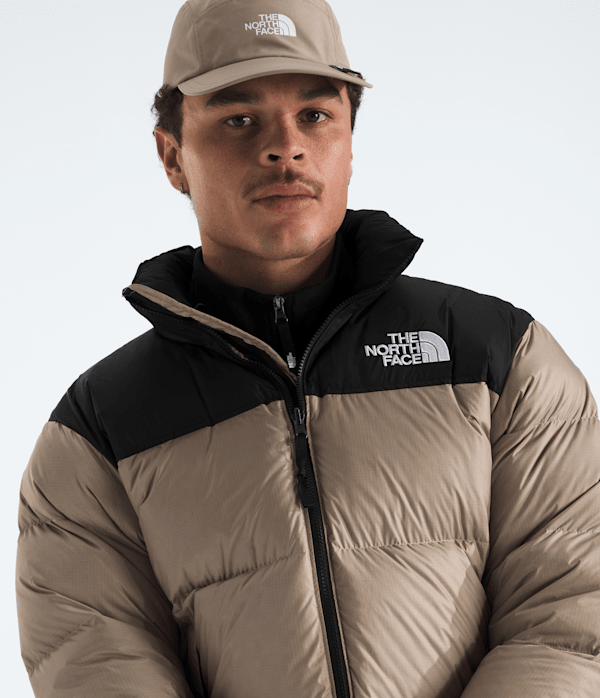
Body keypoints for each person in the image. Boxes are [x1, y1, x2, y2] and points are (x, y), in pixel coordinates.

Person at [15, 0, 600, 696]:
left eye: (316, 115)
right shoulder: (100, 431)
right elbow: (97, 666)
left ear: (350, 141)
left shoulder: (499, 359)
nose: (285, 147)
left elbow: (571, 619)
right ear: (173, 157)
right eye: (240, 119)